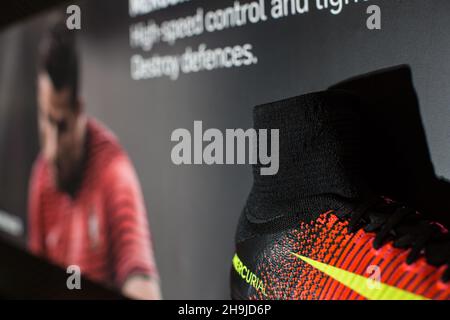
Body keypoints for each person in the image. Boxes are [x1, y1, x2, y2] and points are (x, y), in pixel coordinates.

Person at [28, 20, 161, 300]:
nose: (50, 150)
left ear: (79, 113)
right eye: (45, 120)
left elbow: (141, 281)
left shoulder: (113, 172)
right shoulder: (41, 175)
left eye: (61, 126)